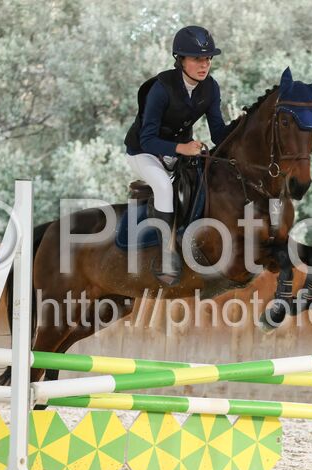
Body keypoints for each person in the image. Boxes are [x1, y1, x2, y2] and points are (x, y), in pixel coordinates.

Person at [124, 25, 230, 284]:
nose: (204, 65)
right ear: (180, 60)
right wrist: (183, 148)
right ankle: (166, 254)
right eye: (197, 59)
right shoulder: (161, 89)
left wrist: (244, 128)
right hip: (143, 152)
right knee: (163, 185)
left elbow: (218, 134)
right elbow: (148, 139)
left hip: (177, 155)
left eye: (208, 59)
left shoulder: (210, 88)